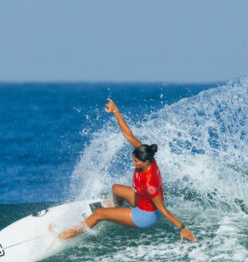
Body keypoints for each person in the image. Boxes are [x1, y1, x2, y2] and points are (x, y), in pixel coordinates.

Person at [60, 99, 196, 242]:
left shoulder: (150, 184)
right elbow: (128, 135)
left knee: (99, 213)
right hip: (141, 200)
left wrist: (182, 228)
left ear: (146, 162)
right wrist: (115, 111)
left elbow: (162, 209)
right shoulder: (146, 153)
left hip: (144, 216)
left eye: (136, 162)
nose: (133, 163)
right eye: (133, 159)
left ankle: (66, 235)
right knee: (116, 188)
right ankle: (117, 210)